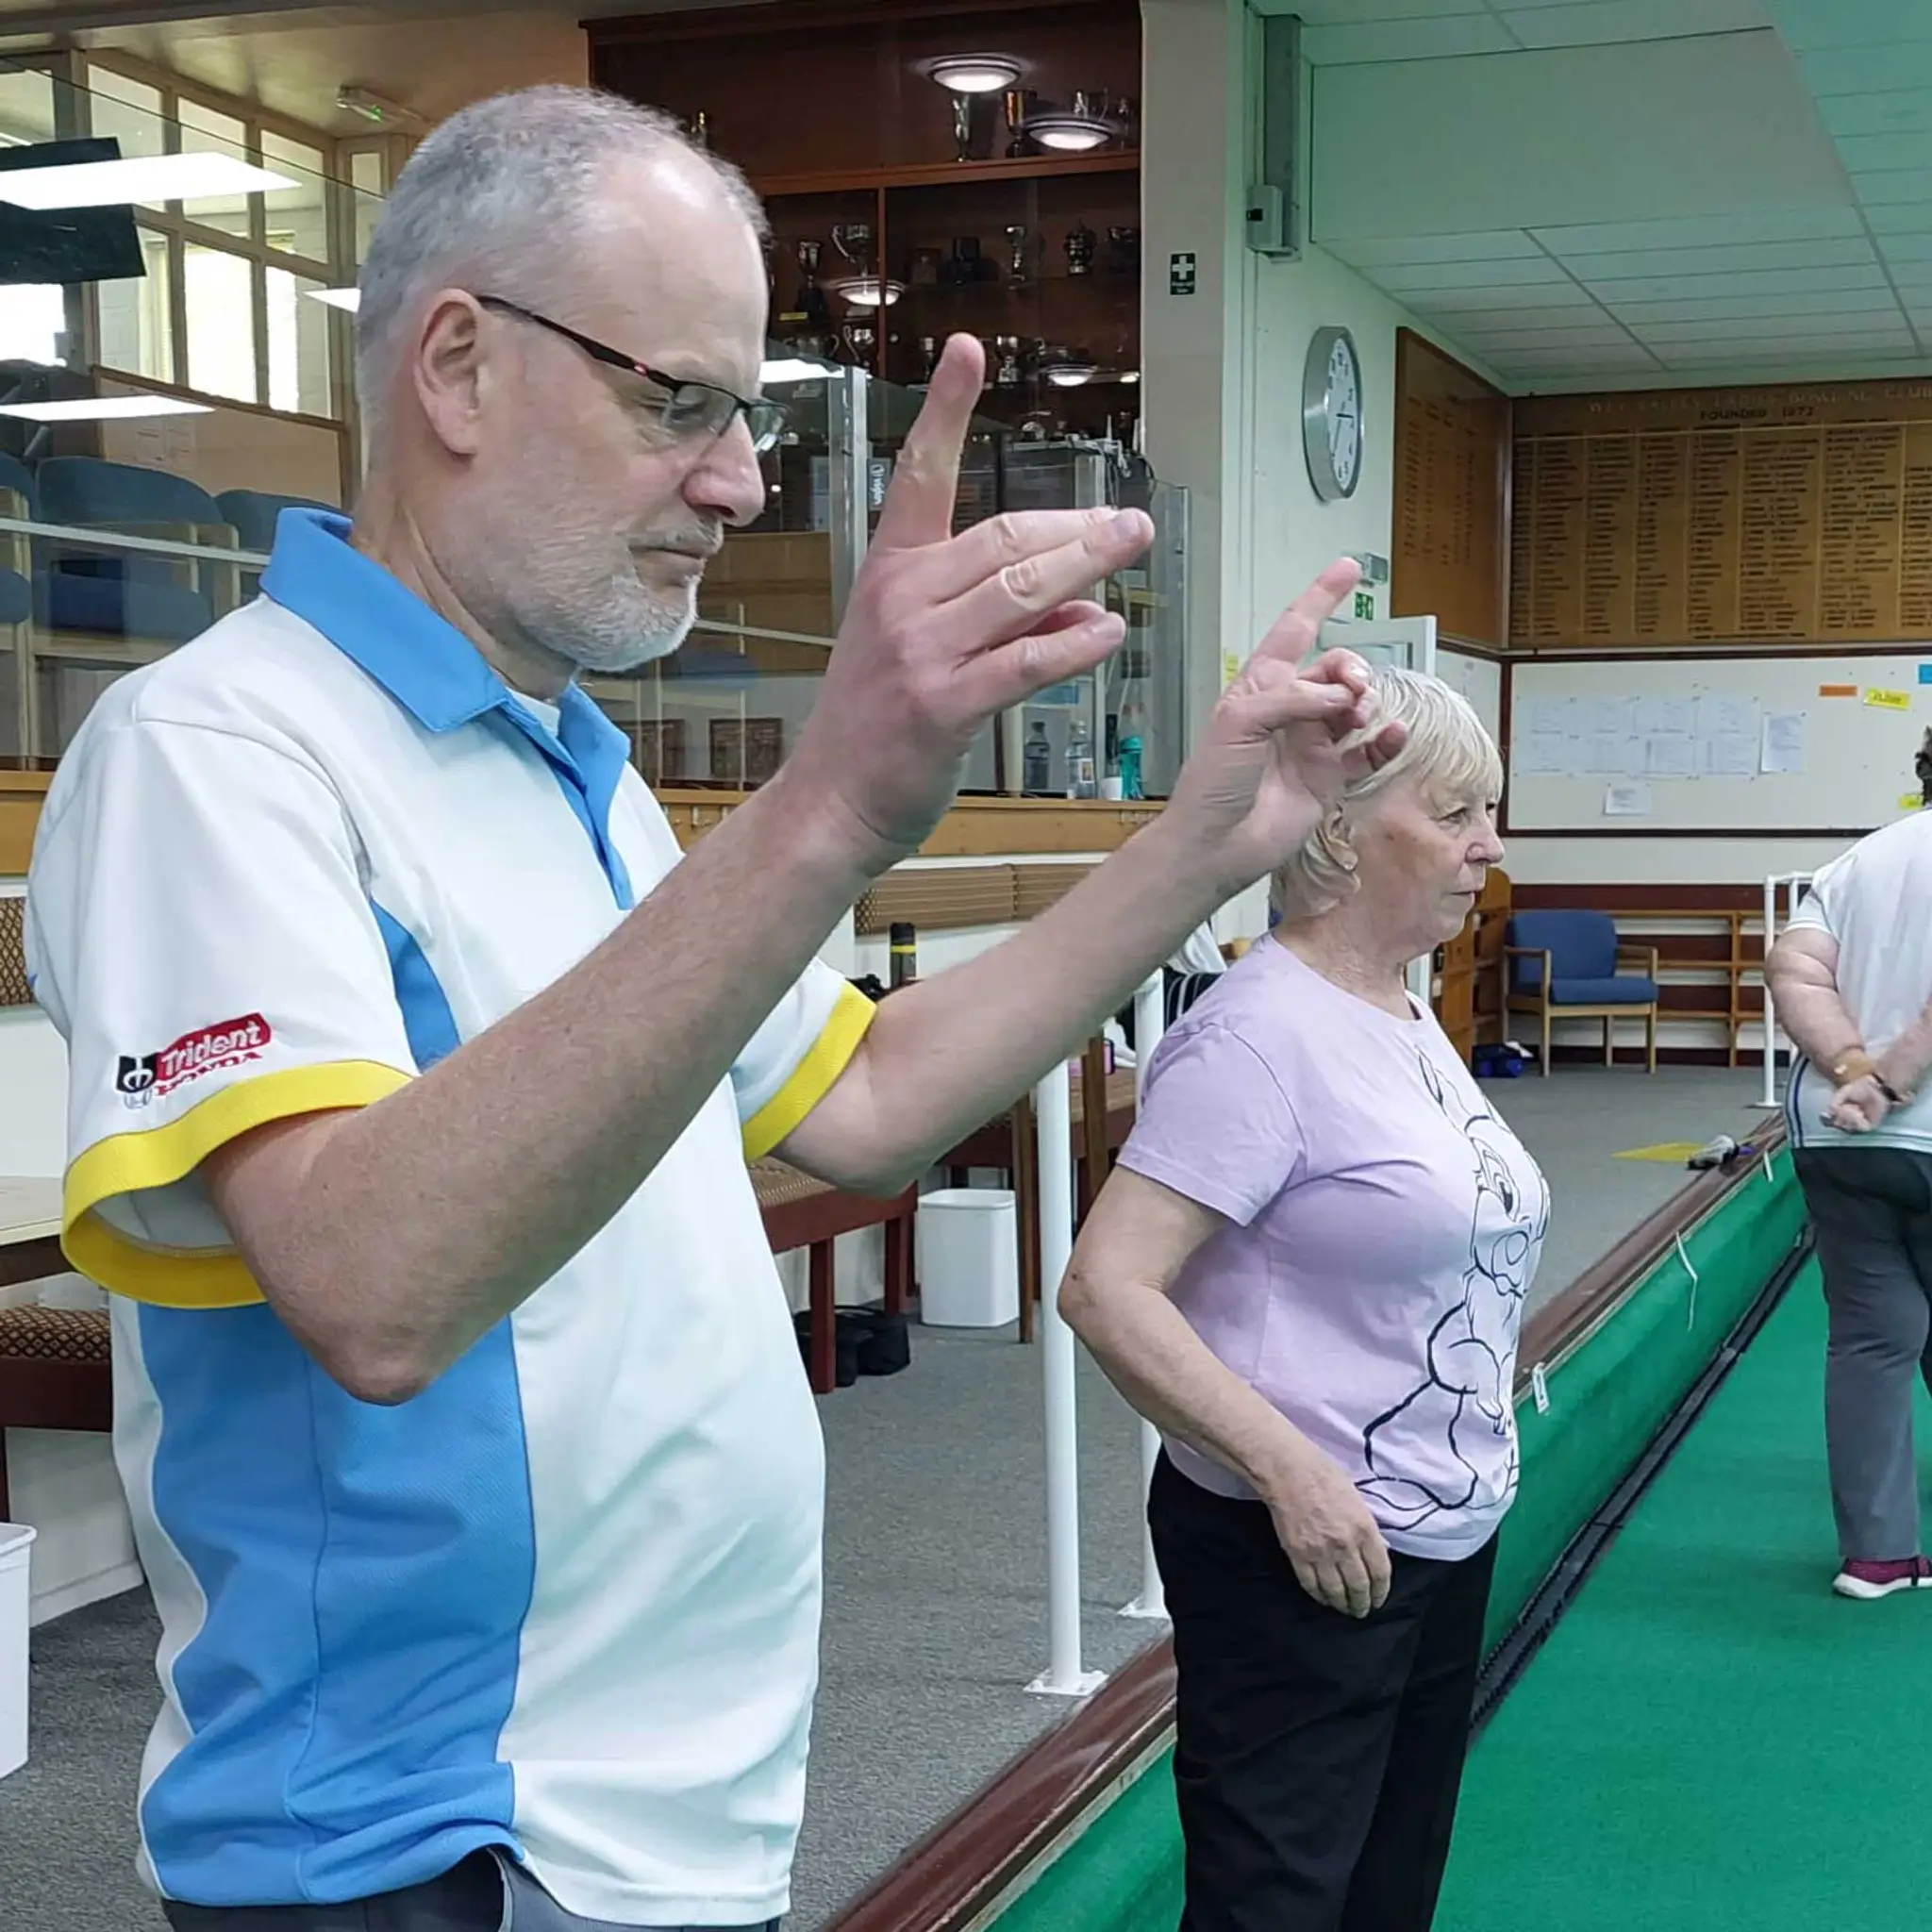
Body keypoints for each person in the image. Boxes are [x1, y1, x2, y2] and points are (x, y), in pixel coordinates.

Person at [25, 87, 1404, 1932]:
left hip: (667, 1831)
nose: (742, 478)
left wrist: (1204, 844)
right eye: (679, 398)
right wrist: (828, 807)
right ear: (456, 365)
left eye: (745, 412)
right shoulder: (220, 747)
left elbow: (862, 1102)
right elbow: (366, 1284)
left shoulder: (580, 773)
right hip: (424, 1849)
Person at [1061, 668, 1548, 1932]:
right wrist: (1292, 1472)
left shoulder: (1401, 1003)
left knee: (1387, 1886)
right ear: (1338, 831)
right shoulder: (1255, 1036)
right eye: (1453, 814)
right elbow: (1108, 1288)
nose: (1487, 845)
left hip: (1434, 1534)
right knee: (1279, 1897)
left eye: (1487, 810)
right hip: (1302, 1550)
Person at [1766, 811, 1932, 1601]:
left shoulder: (1858, 863)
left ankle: (1878, 1557)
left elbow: (1792, 970)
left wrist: (1851, 1068)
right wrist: (1890, 1082)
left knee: (1874, 1338)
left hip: (1838, 1142)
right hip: (1914, 1122)